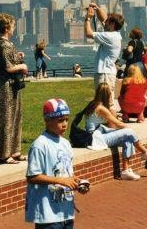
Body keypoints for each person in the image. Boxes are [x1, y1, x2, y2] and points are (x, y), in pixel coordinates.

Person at [25, 98, 89, 228]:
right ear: (47, 120)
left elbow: (67, 174)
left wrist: (76, 182)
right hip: (48, 214)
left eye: (66, 119)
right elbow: (32, 177)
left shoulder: (65, 144)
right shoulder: (40, 145)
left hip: (66, 211)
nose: (65, 124)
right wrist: (60, 181)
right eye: (60, 120)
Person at [85, 83, 147, 181]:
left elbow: (113, 124)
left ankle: (125, 171)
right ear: (107, 95)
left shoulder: (93, 104)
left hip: (97, 135)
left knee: (127, 139)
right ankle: (145, 152)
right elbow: (117, 124)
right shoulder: (101, 108)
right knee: (128, 133)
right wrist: (131, 130)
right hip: (97, 139)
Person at [0, 13, 29, 164]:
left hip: (12, 88)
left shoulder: (3, 43)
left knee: (15, 117)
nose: (14, 28)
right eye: (13, 25)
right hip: (5, 89)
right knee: (5, 120)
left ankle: (15, 151)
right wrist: (22, 66)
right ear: (6, 27)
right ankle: (4, 154)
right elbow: (8, 67)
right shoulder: (2, 44)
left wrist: (18, 56)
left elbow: (9, 60)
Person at [84, 3, 124, 110]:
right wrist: (97, 9)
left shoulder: (109, 36)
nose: (105, 22)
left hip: (104, 74)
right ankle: (111, 124)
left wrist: (87, 18)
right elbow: (104, 19)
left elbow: (88, 33)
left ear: (112, 24)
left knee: (106, 104)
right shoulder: (114, 34)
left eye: (108, 21)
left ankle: (113, 125)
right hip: (107, 73)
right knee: (106, 103)